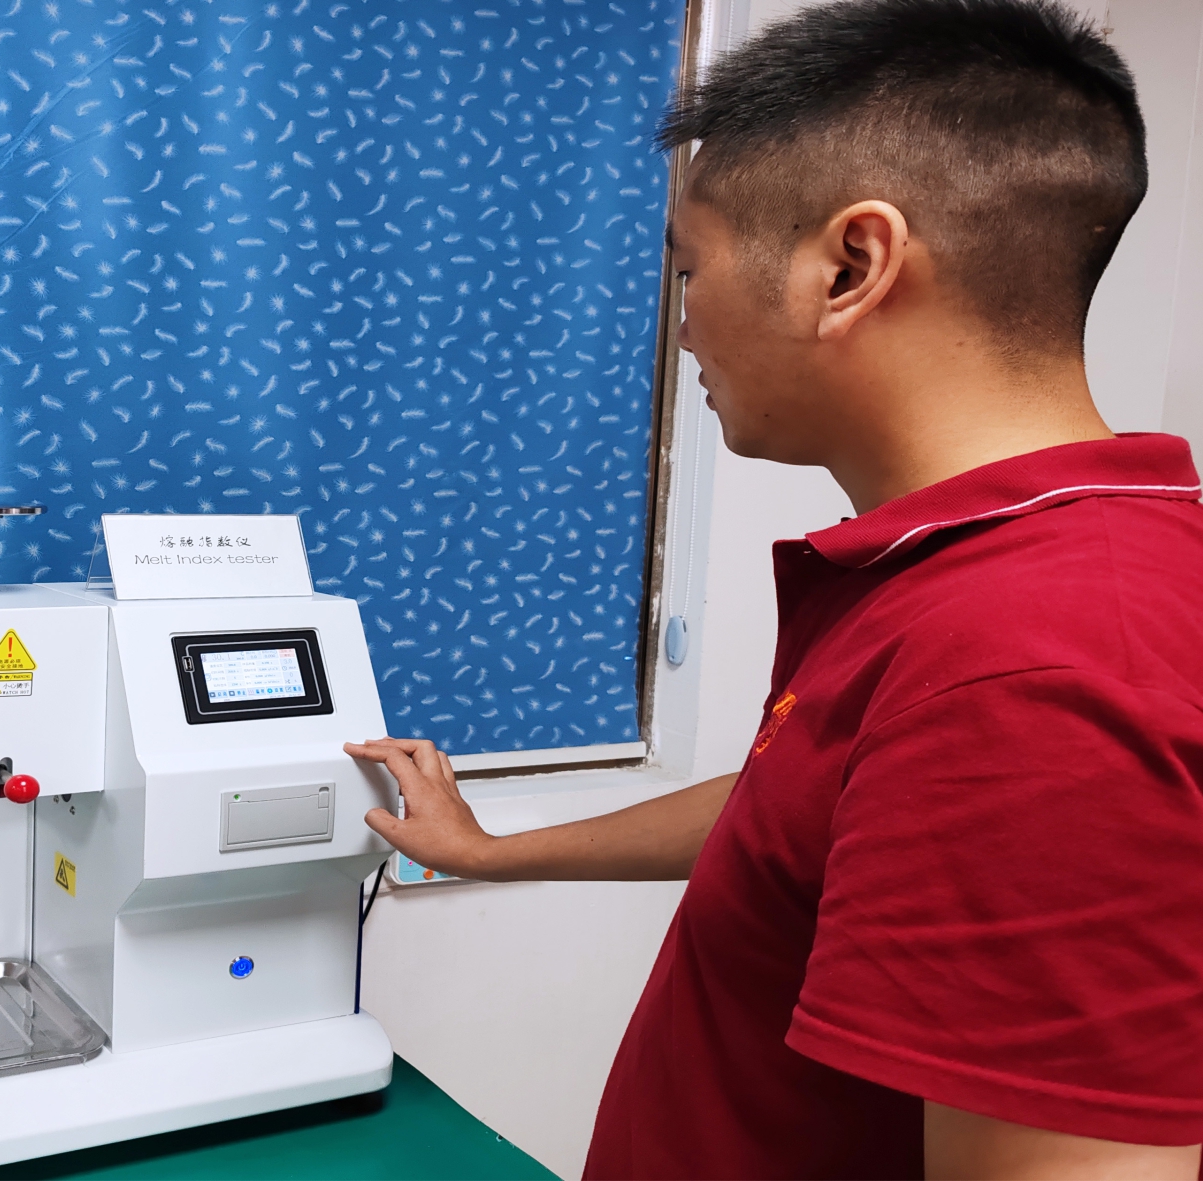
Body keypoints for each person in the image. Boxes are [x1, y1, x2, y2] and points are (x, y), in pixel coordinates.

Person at [346, 1, 1203, 1177]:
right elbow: (803, 809)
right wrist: (491, 849)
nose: (682, 326)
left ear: (848, 267)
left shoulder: (1032, 666)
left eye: (689, 269)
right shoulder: (981, 573)